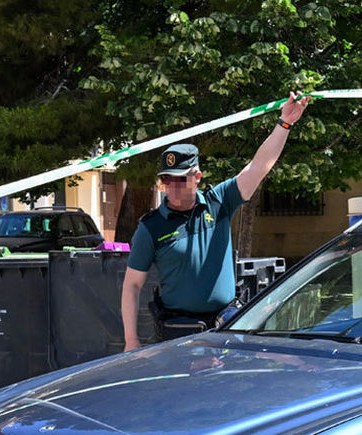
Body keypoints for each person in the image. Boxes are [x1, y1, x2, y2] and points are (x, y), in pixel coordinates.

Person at [121, 92, 311, 349]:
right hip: (178, 334)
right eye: (167, 179)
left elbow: (258, 167)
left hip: (225, 327)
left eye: (181, 179)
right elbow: (132, 285)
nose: (173, 186)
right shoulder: (151, 226)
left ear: (197, 176)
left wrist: (285, 124)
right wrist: (131, 340)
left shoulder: (219, 202)